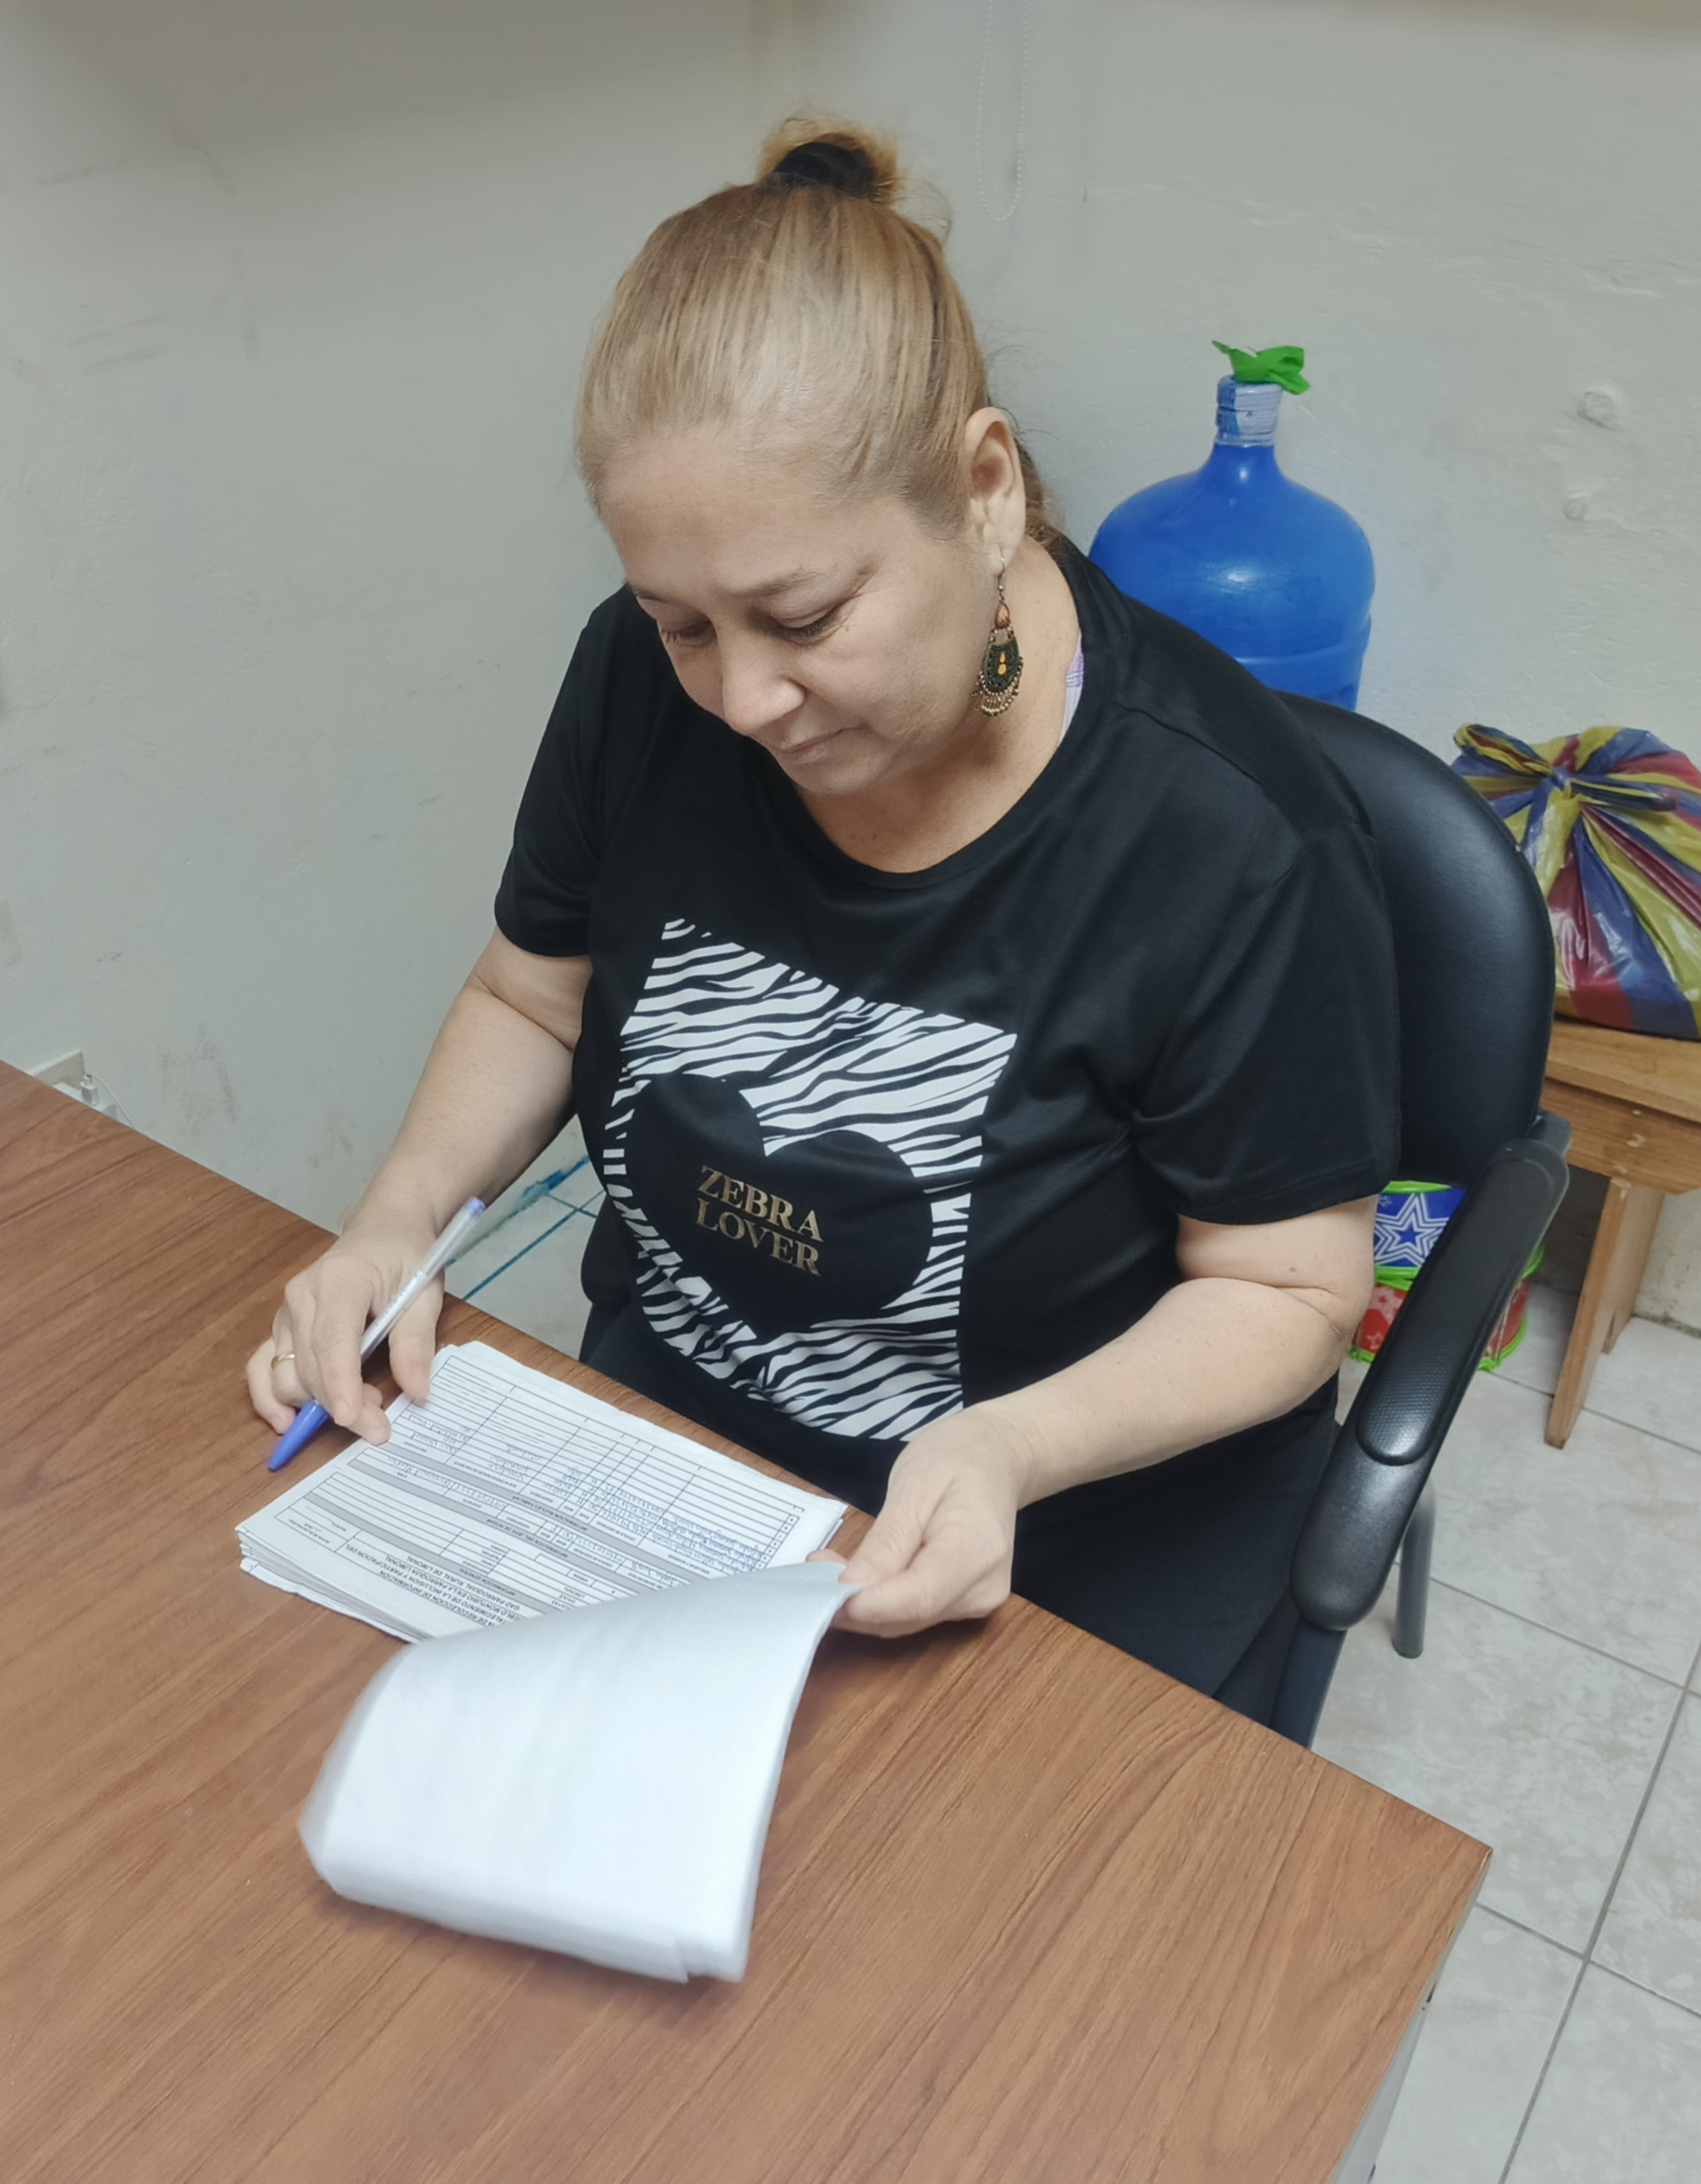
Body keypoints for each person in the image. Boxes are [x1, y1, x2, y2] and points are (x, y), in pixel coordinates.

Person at [248, 119, 1397, 1720]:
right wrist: (393, 1222)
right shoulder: (636, 685)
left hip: (1055, 1523)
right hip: (680, 1461)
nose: (740, 700)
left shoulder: (1229, 837)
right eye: (680, 625)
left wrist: (1008, 1446)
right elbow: (533, 995)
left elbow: (1285, 1290)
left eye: (803, 617)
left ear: (983, 489)